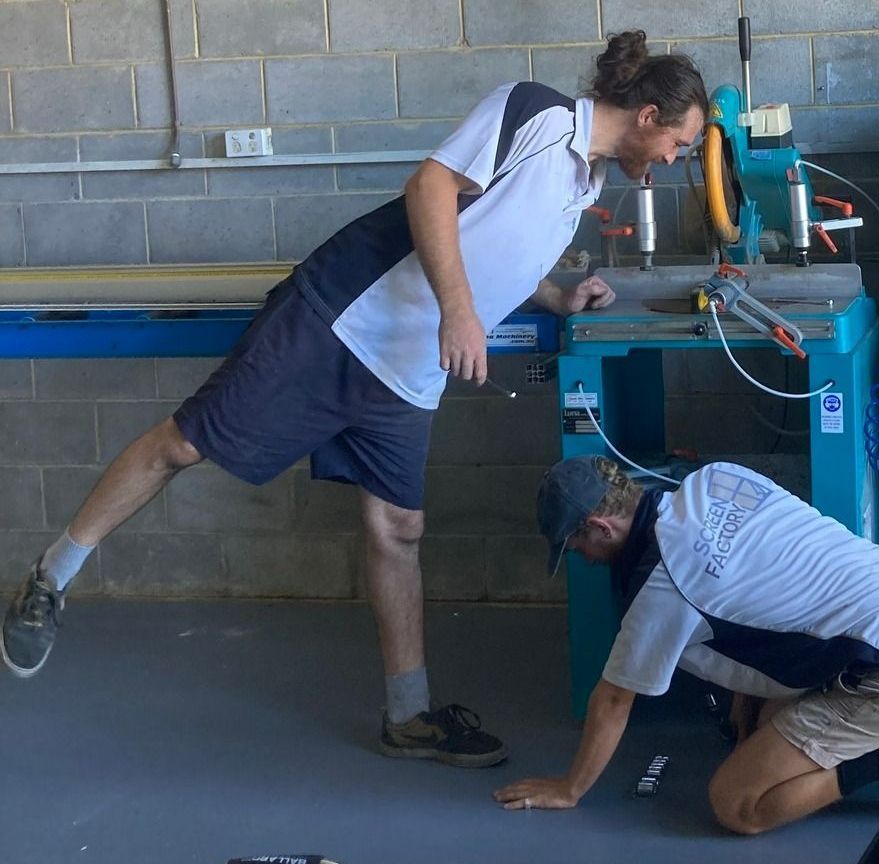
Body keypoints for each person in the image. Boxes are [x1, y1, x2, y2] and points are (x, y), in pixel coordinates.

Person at [2, 32, 707, 770]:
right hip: (340, 320)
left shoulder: (586, 179)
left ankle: (407, 717)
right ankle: (53, 576)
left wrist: (559, 295)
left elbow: (498, 240)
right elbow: (429, 190)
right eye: (680, 145)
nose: (674, 161)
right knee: (186, 443)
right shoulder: (535, 114)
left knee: (399, 526)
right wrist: (461, 313)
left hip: (406, 369)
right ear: (651, 114)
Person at [496, 456, 879, 834]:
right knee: (758, 727)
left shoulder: (662, 586)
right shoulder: (716, 478)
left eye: (576, 548)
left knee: (738, 802)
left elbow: (615, 699)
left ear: (600, 527)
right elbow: (766, 585)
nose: (584, 560)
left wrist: (570, 788)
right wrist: (750, 691)